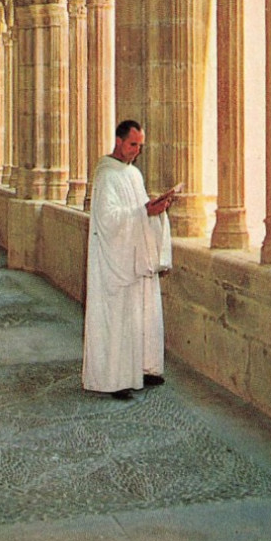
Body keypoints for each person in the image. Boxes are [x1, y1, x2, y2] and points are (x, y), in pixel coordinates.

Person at [82, 119, 176, 400]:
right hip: (114, 260)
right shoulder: (106, 174)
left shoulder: (133, 175)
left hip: (135, 256)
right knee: (117, 317)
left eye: (140, 146)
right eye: (133, 144)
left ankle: (143, 369)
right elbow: (107, 220)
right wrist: (141, 213)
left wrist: (156, 210)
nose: (136, 151)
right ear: (119, 141)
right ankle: (114, 380)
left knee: (141, 314)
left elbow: (140, 210)